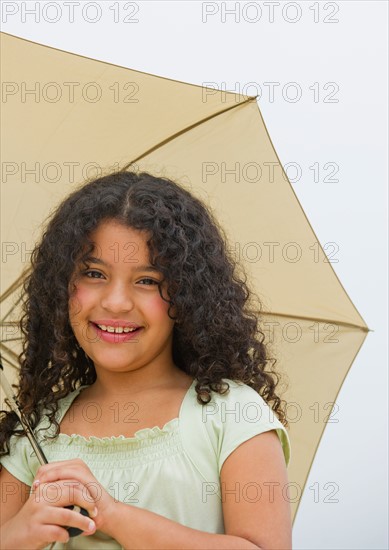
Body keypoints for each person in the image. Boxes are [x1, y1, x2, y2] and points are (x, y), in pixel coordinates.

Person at [0, 170, 292, 550]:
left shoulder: (233, 416)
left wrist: (114, 515)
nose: (116, 302)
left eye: (148, 280)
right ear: (60, 286)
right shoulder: (34, 434)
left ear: (188, 296)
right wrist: (18, 534)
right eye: (93, 273)